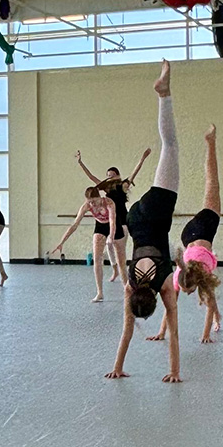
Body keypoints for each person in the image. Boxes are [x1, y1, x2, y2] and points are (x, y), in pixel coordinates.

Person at [105, 61, 186, 382]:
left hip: (154, 214)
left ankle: (163, 95)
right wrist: (117, 367)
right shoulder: (129, 286)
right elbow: (125, 333)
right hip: (136, 219)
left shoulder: (165, 285)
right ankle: (163, 95)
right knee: (169, 150)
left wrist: (175, 373)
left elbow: (175, 334)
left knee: (171, 145)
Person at [150, 125, 223, 345]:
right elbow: (170, 306)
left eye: (188, 291)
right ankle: (210, 142)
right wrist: (161, 333)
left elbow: (207, 306)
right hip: (190, 234)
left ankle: (211, 142)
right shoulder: (183, 275)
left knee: (212, 182)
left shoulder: (201, 272)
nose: (188, 294)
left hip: (202, 228)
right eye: (185, 290)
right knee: (211, 183)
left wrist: (206, 335)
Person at [76, 148, 151, 281]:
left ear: (117, 176)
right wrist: (81, 163)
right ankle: (115, 269)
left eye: (112, 175)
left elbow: (135, 172)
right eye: (108, 175)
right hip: (111, 221)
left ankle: (126, 272)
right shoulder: (106, 188)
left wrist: (143, 159)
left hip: (122, 221)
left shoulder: (123, 186)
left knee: (119, 249)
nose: (109, 177)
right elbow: (92, 177)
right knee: (108, 245)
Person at [48, 182, 124, 303]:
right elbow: (74, 224)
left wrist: (111, 236)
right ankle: (100, 293)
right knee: (97, 258)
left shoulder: (108, 203)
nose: (92, 204)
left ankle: (126, 288)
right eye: (89, 201)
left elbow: (112, 221)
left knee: (121, 260)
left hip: (115, 226)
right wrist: (62, 242)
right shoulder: (87, 206)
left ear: (99, 197)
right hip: (100, 227)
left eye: (94, 201)